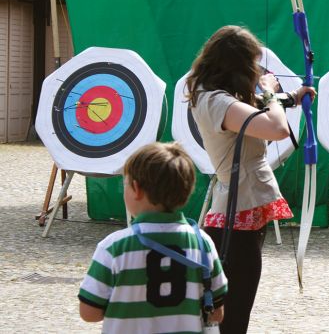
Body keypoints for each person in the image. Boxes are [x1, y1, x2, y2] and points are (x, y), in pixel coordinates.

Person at [186, 25, 315, 333]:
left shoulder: (218, 97)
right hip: (235, 217)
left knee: (234, 313)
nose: (256, 73)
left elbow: (255, 112)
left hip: (242, 209)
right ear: (236, 66)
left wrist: (291, 98)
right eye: (252, 66)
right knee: (232, 318)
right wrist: (269, 91)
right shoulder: (216, 101)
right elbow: (275, 128)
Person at [78, 142, 228, 333]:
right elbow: (217, 313)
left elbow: (89, 312)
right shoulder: (203, 243)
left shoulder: (114, 246)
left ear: (136, 189)